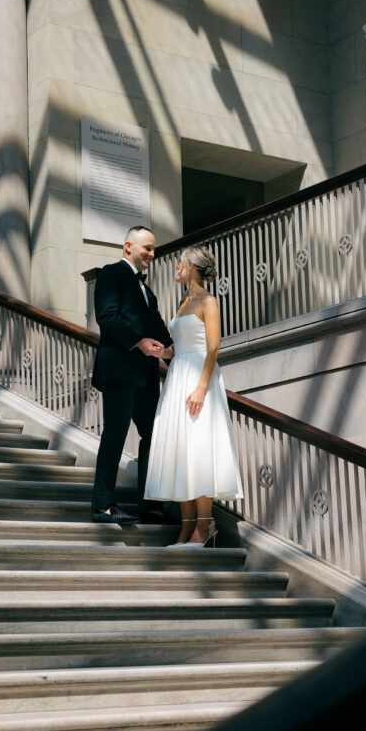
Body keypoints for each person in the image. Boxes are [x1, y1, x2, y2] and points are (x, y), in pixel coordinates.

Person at [144, 245, 243, 546]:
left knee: (200, 449)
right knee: (182, 451)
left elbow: (212, 347)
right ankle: (187, 528)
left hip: (199, 378)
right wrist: (164, 351)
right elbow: (182, 344)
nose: (177, 266)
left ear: (192, 266)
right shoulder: (183, 302)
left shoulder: (207, 301)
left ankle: (204, 526)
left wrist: (201, 387)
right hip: (178, 378)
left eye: (181, 263)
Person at [91, 225, 174, 525]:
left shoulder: (148, 292)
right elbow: (107, 316)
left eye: (153, 249)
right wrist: (139, 342)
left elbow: (160, 330)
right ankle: (102, 505)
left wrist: (175, 352)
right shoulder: (111, 274)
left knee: (154, 436)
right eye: (147, 248)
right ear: (128, 247)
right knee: (115, 433)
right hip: (119, 371)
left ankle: (150, 505)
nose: (152, 254)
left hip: (146, 376)